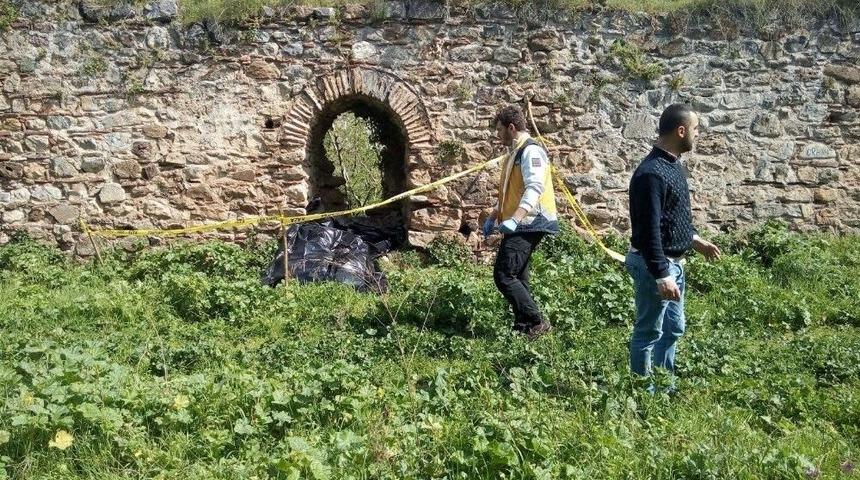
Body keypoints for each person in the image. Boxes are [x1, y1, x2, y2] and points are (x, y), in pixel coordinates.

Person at [626, 103, 722, 389]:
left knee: (673, 328)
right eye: (695, 129)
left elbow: (671, 217)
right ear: (681, 131)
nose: (697, 135)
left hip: (673, 264)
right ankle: (644, 392)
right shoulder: (651, 174)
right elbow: (648, 230)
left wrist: (694, 240)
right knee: (649, 331)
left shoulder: (672, 166)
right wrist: (661, 274)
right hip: (654, 264)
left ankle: (664, 387)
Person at [483, 105, 559, 339]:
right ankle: (524, 326)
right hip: (521, 220)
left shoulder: (531, 151)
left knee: (504, 275)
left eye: (499, 130)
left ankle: (535, 322)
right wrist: (495, 214)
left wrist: (515, 219)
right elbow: (510, 191)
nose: (497, 135)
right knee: (519, 275)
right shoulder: (514, 153)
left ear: (511, 128)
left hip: (531, 220)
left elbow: (535, 187)